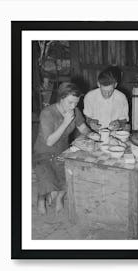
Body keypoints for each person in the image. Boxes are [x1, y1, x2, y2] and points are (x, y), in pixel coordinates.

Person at [34, 82, 91, 215]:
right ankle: (41, 199)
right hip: (43, 153)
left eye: (76, 103)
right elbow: (49, 141)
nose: (73, 106)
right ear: (61, 98)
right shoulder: (47, 113)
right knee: (46, 180)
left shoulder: (75, 111)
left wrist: (93, 135)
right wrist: (65, 122)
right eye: (70, 102)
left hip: (63, 152)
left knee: (69, 176)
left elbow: (83, 128)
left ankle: (59, 197)